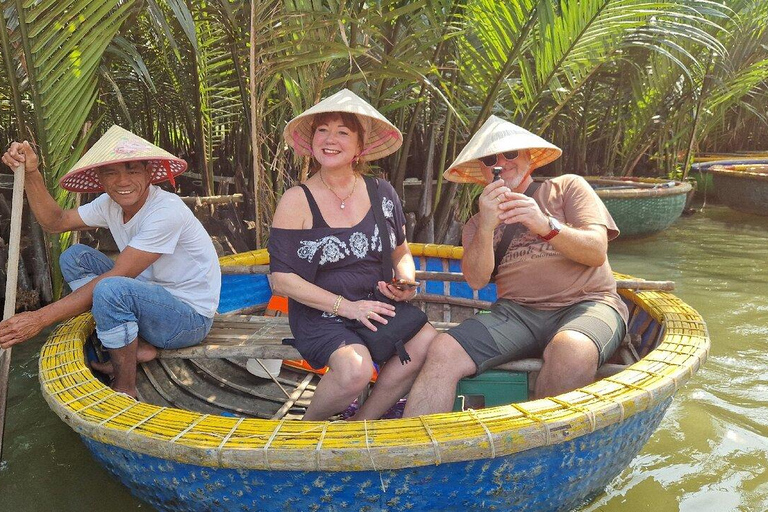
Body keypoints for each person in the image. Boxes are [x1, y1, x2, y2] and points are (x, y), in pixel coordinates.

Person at [403, 115, 628, 417]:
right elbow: (476, 281)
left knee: (570, 349)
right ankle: (419, 449)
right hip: (516, 314)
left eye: (511, 154)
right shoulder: (476, 222)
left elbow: (597, 251)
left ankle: (543, 445)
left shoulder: (567, 188)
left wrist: (543, 224)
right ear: (482, 171)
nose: (502, 162)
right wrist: (485, 227)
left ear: (529, 159)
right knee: (443, 349)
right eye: (489, 158)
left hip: (588, 303)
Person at [0, 126, 221, 399]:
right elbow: (55, 222)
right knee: (74, 257)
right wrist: (32, 173)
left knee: (111, 289)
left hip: (189, 319)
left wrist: (39, 318)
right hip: (152, 298)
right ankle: (135, 345)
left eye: (132, 170)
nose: (122, 181)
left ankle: (125, 387)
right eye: (111, 172)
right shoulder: (110, 203)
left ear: (149, 174)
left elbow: (116, 277)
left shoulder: (167, 211)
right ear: (100, 179)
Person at [269, 89, 437, 421]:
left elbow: (401, 251)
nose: (330, 139)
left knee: (428, 342)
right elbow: (281, 280)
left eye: (343, 132)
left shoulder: (381, 192)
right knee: (355, 370)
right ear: (312, 139)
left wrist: (406, 281)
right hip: (321, 310)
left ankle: (362, 422)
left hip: (373, 302)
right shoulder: (296, 199)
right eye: (322, 130)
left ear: (360, 148)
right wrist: (348, 308)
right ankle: (303, 432)